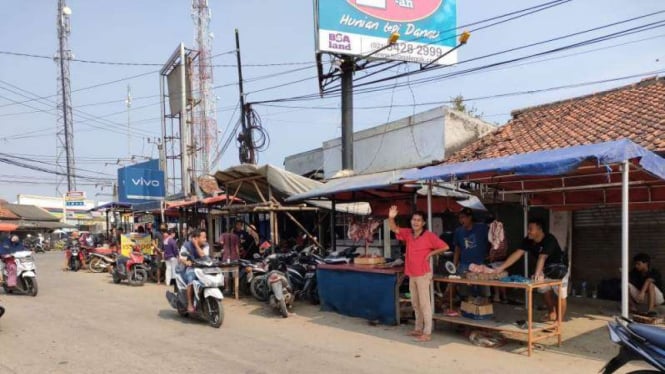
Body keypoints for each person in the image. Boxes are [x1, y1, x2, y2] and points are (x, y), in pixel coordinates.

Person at [388, 205, 449, 342]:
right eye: (414, 219)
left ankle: (427, 332)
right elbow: (394, 229)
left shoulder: (429, 236)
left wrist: (431, 254)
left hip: (423, 274)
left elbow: (445, 246)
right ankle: (418, 328)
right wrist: (391, 217)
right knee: (415, 303)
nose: (415, 222)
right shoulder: (409, 233)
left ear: (423, 223)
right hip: (412, 273)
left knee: (424, 304)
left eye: (418, 220)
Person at [493, 218, 568, 323]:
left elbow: (542, 257)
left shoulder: (549, 239)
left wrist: (537, 274)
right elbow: (517, 253)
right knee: (545, 291)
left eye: (530, 229)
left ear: (539, 229)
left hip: (559, 269)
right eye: (528, 229)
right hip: (544, 269)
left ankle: (558, 322)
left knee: (560, 294)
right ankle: (551, 312)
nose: (528, 231)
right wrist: (501, 268)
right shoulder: (528, 240)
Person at [453, 207, 490, 298]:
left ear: (470, 218)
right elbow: (457, 249)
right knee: (465, 293)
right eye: (460, 218)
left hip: (480, 265)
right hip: (464, 265)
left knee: (484, 293)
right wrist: (454, 265)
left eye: (464, 217)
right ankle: (467, 309)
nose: (462, 220)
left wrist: (490, 255)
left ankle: (482, 309)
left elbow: (492, 241)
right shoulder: (458, 231)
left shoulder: (482, 228)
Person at [179, 229, 207, 313]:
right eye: (203, 237)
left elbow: (203, 256)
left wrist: (196, 245)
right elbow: (181, 258)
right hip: (190, 268)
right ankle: (190, 304)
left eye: (205, 237)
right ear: (196, 238)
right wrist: (186, 262)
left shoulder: (206, 245)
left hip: (202, 268)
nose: (205, 239)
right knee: (191, 280)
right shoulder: (186, 245)